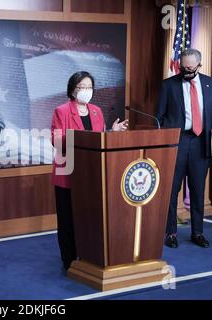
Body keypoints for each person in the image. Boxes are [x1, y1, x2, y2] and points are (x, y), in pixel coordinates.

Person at [50, 71, 128, 270]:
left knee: (88, 218)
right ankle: (68, 260)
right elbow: (57, 141)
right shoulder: (62, 111)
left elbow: (99, 139)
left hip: (92, 173)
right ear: (72, 89)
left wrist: (111, 132)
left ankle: (87, 255)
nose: (86, 91)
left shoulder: (96, 111)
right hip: (68, 172)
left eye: (89, 87)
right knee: (68, 219)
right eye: (81, 87)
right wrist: (82, 138)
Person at [156, 48, 212, 249]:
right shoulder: (169, 85)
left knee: (197, 190)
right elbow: (158, 117)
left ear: (199, 65)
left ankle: (197, 232)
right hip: (176, 143)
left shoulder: (211, 84)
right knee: (171, 191)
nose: (186, 70)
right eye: (183, 66)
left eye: (190, 67)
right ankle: (170, 233)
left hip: (201, 143)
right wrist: (161, 144)